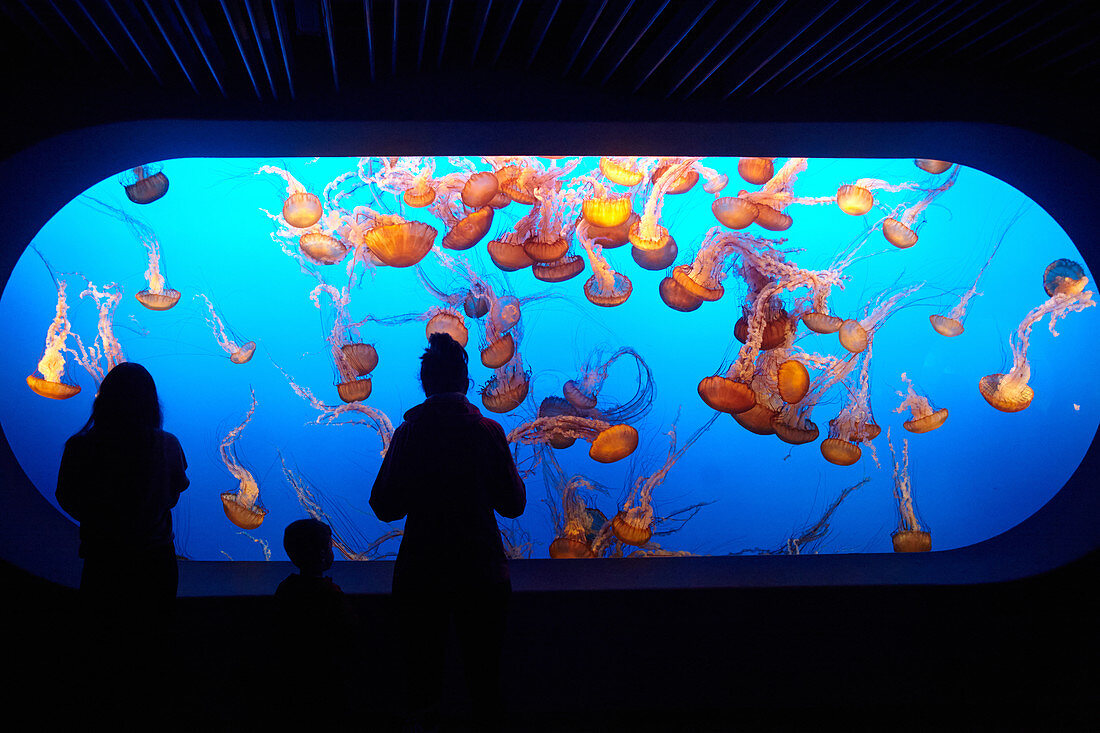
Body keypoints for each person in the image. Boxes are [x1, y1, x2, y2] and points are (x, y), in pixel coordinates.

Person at [370, 332, 526, 733]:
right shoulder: (488, 432)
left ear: (425, 385)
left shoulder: (409, 434)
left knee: (422, 682)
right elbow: (513, 504)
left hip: (422, 573)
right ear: (466, 383)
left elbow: (384, 506)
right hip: (482, 572)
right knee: (485, 679)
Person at [54, 361, 189, 716]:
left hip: (105, 560)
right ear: (151, 403)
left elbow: (67, 496)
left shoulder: (80, 445)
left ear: (103, 399)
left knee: (103, 642)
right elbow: (175, 492)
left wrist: (103, 518)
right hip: (155, 561)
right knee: (152, 641)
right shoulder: (167, 445)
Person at [275, 518, 358, 723]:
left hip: (292, 678)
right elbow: (350, 631)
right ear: (322, 554)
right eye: (330, 546)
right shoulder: (329, 593)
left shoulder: (285, 589)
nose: (332, 550)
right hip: (329, 677)